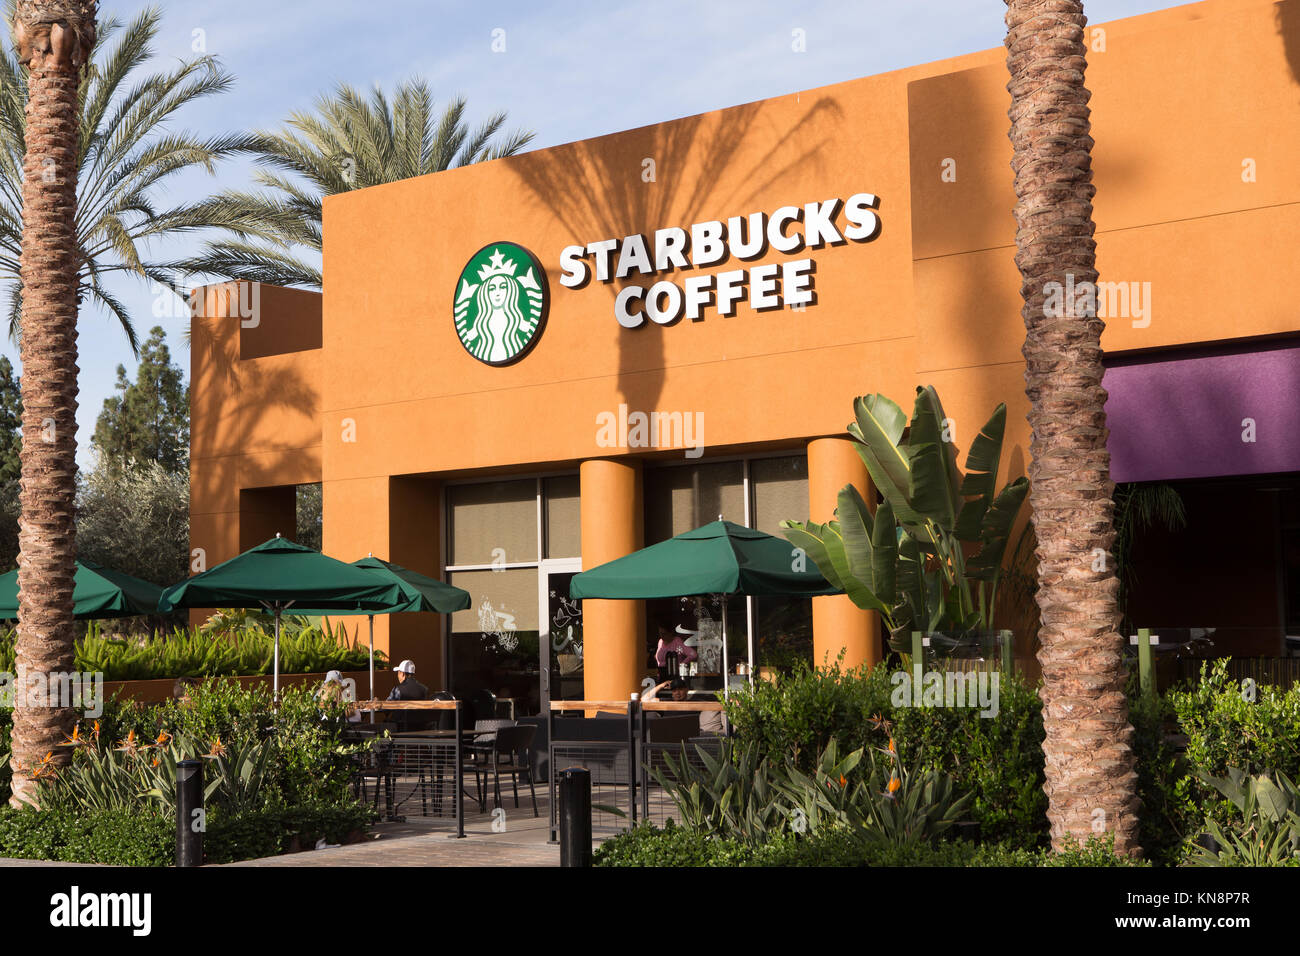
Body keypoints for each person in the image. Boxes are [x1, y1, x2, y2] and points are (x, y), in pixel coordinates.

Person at [387, 659, 429, 731]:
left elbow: (387, 707)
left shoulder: (398, 689)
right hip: (421, 728)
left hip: (401, 728)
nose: (398, 676)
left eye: (398, 673)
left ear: (402, 674)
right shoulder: (424, 689)